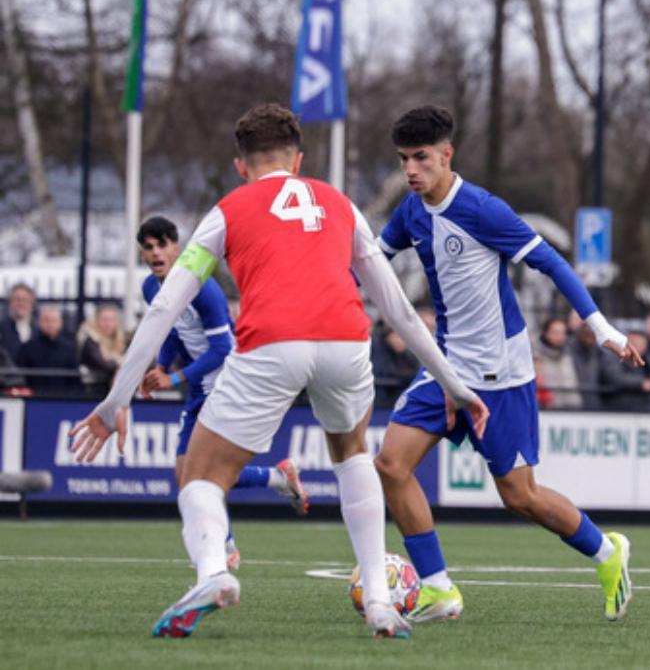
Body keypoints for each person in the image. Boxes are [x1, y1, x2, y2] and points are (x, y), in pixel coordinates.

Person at [68, 103, 486, 640]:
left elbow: (165, 306)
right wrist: (455, 385)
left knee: (199, 478)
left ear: (242, 166)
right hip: (345, 342)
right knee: (353, 456)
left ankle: (214, 573)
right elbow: (399, 309)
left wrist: (114, 401)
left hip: (272, 342)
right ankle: (382, 603)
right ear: (299, 160)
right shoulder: (340, 204)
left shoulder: (228, 209)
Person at [373, 106, 642, 624]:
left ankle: (608, 554)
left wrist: (603, 329)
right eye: (404, 159)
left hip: (501, 373)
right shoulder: (410, 210)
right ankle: (438, 588)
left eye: (422, 158)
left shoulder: (482, 209)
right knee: (391, 464)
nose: (411, 170)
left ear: (446, 155)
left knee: (521, 497)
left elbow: (554, 263)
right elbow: (370, 260)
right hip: (445, 365)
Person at [136, 215, 311, 571]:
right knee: (187, 476)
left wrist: (174, 379)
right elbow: (170, 331)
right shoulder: (150, 288)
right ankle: (277, 478)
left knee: (200, 475)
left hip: (225, 382)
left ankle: (226, 546)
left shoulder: (204, 287)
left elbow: (220, 348)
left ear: (176, 247)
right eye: (148, 247)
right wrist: (162, 365)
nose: (156, 253)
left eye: (162, 245)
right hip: (198, 386)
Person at [16, 305, 77, 393]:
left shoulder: (69, 349)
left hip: (63, 400)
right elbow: (20, 378)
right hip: (34, 400)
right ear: (39, 322)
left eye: (54, 321)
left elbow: (75, 381)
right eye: (46, 320)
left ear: (61, 323)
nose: (50, 324)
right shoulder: (27, 348)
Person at [77, 304, 127, 395]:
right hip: (91, 392)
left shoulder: (119, 341)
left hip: (110, 392)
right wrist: (121, 363)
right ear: (96, 321)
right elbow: (103, 364)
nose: (108, 324)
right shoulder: (90, 340)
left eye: (112, 320)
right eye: (104, 320)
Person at [533, 317, 582, 409]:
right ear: (546, 333)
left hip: (572, 410)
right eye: (555, 332)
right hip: (548, 411)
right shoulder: (536, 359)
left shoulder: (570, 356)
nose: (560, 336)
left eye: (563, 333)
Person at [1, 283, 36, 360]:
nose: (21, 303)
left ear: (32, 303)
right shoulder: (2, 328)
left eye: (25, 300)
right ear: (10, 302)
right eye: (17, 299)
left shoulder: (40, 329)